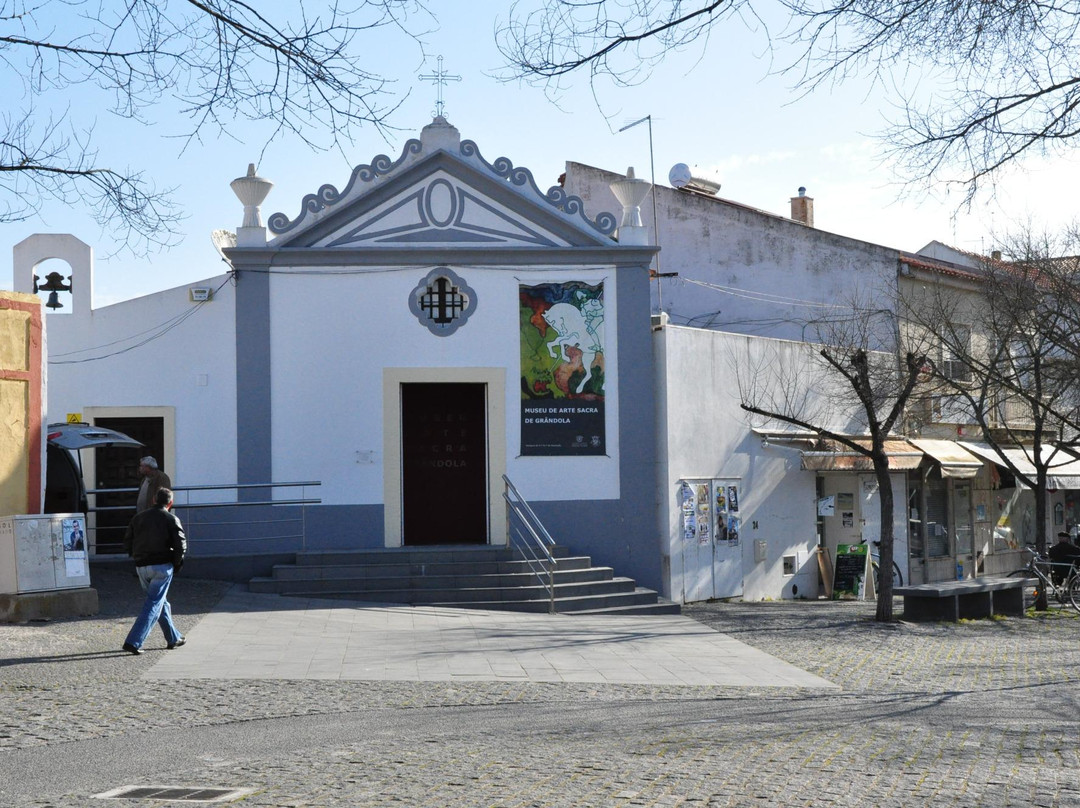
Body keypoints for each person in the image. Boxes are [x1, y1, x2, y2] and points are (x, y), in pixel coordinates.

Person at [121, 487, 187, 654]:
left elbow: (127, 541)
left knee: (159, 602)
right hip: (162, 566)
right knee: (153, 603)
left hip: (142, 566)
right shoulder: (171, 518)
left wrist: (136, 557)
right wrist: (177, 564)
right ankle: (134, 641)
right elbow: (181, 544)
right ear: (170, 502)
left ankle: (173, 638)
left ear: (153, 500)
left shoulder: (138, 517)